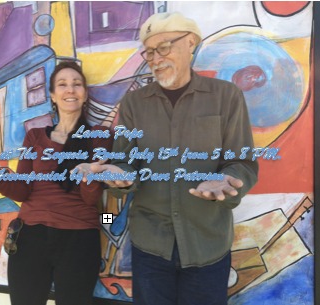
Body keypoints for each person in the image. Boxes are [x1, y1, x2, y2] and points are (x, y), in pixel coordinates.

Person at [75, 12, 258, 305]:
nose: (155, 58)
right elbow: (126, 162)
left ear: (191, 43)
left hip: (207, 242)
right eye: (149, 51)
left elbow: (243, 163)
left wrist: (226, 180)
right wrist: (117, 175)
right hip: (151, 247)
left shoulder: (226, 96)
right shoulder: (134, 103)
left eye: (164, 47)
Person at [0, 61, 112, 305]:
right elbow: (22, 189)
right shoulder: (35, 136)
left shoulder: (99, 138)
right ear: (52, 95)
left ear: (85, 95)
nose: (70, 90)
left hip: (79, 240)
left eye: (76, 84)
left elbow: (92, 200)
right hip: (30, 238)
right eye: (62, 85)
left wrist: (90, 175)